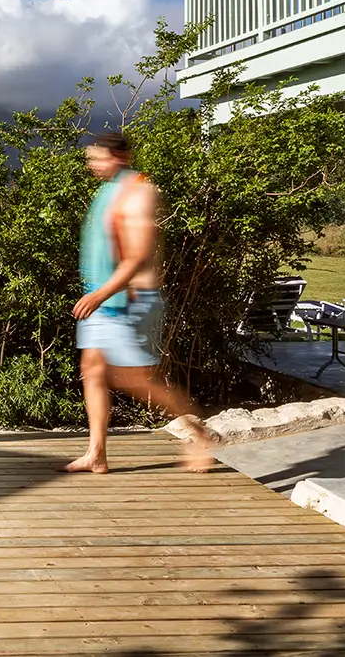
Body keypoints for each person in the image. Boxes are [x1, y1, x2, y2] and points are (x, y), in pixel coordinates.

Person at [59, 130, 214, 474]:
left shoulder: (138, 193)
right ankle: (96, 454)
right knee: (93, 371)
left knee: (135, 380)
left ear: (120, 157)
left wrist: (99, 294)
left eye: (98, 157)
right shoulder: (107, 191)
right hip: (105, 300)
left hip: (130, 300)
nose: (92, 164)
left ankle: (199, 433)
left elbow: (137, 256)